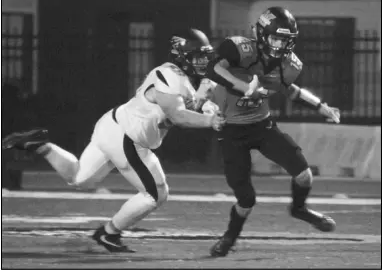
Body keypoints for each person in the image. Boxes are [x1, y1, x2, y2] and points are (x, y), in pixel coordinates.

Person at [2, 28, 224, 253]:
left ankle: (42, 146)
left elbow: (191, 105)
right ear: (182, 55)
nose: (203, 61)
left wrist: (207, 106)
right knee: (156, 194)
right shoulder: (169, 75)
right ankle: (109, 233)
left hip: (114, 126)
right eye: (197, 56)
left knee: (81, 179)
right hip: (127, 137)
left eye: (204, 56)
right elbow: (178, 115)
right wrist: (209, 120)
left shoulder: (190, 79)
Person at [205, 7, 340, 257]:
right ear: (260, 34)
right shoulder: (240, 50)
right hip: (232, 132)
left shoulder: (288, 64)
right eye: (276, 38)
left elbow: (290, 90)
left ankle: (299, 209)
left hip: (262, 126)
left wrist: (321, 106)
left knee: (304, 175)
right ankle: (230, 237)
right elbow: (212, 69)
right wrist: (243, 86)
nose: (279, 45)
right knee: (246, 200)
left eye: (285, 40)